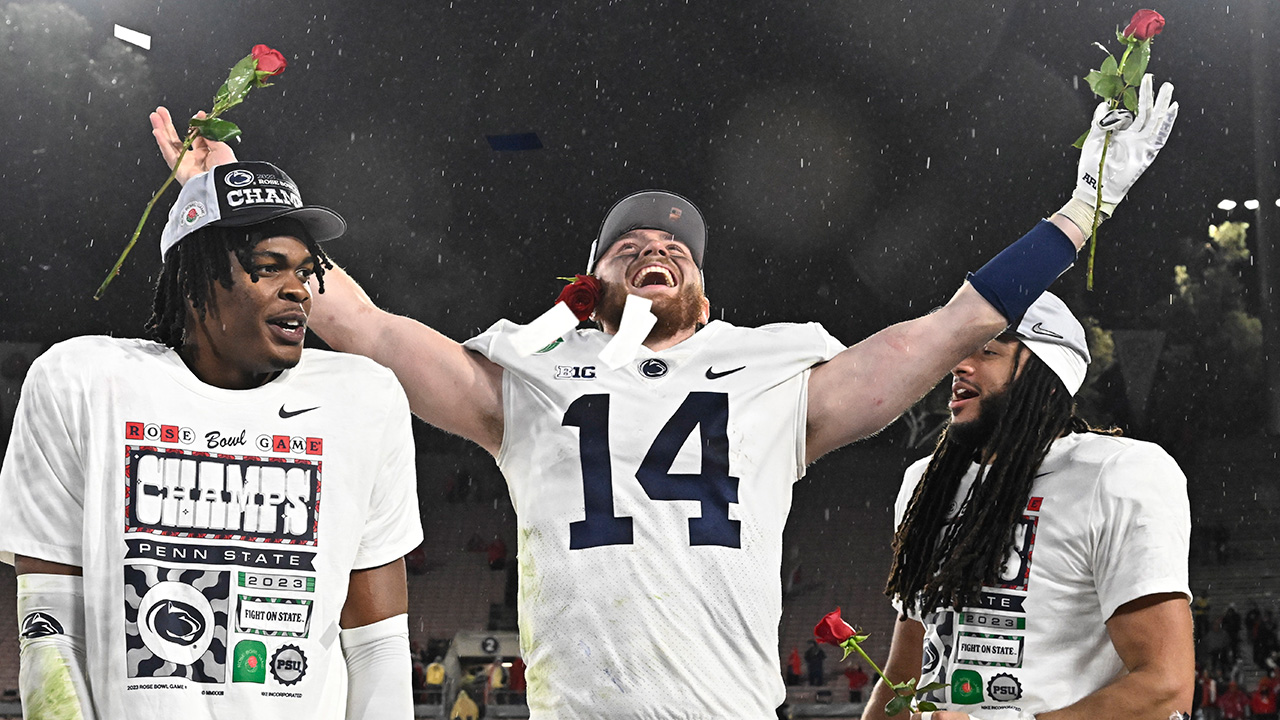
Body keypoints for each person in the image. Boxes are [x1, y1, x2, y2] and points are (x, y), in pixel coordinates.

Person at [149, 74, 1178, 719]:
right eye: (626, 244)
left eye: (674, 244)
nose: (653, 247)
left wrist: (1085, 203)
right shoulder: (528, 379)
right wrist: (229, 212)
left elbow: (955, 320)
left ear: (705, 281)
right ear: (588, 283)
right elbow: (363, 323)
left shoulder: (778, 374)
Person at [0, 161, 423, 719]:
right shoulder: (84, 382)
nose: (298, 289)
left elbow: (378, 648)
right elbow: (51, 632)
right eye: (268, 267)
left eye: (304, 270)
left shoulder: (362, 400)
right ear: (193, 281)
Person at [863, 293, 1193, 720]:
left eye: (988, 352)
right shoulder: (925, 485)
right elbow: (905, 674)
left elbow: (1166, 688)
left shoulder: (1116, 473)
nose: (960, 365)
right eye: (959, 352)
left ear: (1044, 374)